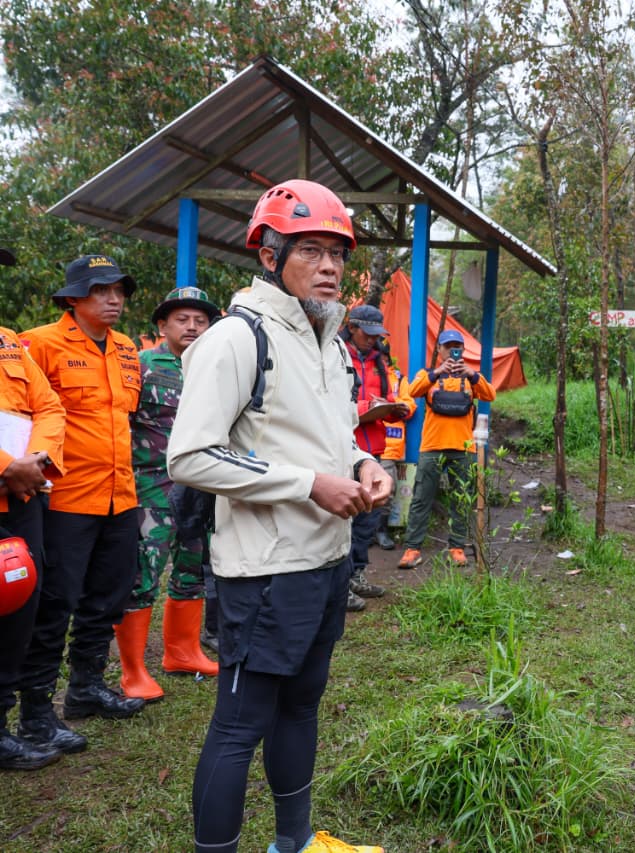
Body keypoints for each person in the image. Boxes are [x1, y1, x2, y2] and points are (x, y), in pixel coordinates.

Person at [169, 179, 391, 853]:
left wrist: (362, 462)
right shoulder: (237, 338)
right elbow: (190, 456)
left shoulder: (329, 340)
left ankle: (293, 842)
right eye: (311, 250)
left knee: (302, 705)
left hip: (324, 561)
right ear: (270, 255)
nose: (329, 267)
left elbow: (329, 435)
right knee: (240, 725)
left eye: (337, 253)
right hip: (264, 571)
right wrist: (308, 484)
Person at [17, 254, 147, 758]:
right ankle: (35, 713)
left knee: (108, 598)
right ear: (73, 298)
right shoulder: (38, 344)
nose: (114, 300)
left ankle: (86, 689)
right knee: (55, 604)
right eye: (101, 291)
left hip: (120, 495)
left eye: (119, 291)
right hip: (65, 498)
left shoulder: (127, 348)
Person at [116, 286, 222, 703]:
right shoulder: (143, 365)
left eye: (200, 320)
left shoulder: (216, 366)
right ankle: (133, 669)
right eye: (182, 319)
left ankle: (182, 652)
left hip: (200, 484)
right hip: (152, 485)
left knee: (193, 566)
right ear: (162, 325)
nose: (192, 327)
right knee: (144, 570)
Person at [0, 244, 66, 770]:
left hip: (21, 497)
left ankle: (2, 724)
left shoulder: (9, 342)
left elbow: (48, 407)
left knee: (19, 601)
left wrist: (35, 463)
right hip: (11, 480)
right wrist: (6, 466)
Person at [397, 328, 495, 570]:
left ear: (463, 350)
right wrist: (438, 372)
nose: (452, 351)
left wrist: (472, 374)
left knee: (460, 501)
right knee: (421, 498)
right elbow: (413, 391)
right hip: (432, 447)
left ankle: (456, 548)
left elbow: (490, 394)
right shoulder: (427, 374)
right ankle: (412, 548)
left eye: (457, 347)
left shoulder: (471, 378)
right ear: (439, 350)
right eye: (448, 347)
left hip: (463, 449)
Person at [341, 304, 410, 609]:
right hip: (345, 449)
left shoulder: (379, 361)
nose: (372, 339)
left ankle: (356, 575)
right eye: (367, 334)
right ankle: (340, 585)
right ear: (351, 328)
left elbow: (387, 398)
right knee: (344, 519)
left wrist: (394, 409)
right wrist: (365, 408)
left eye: (376, 335)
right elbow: (330, 404)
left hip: (375, 449)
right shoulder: (335, 355)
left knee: (367, 518)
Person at [377, 351, 415, 546]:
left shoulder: (399, 380)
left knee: (386, 488)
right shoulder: (361, 372)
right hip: (362, 440)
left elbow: (410, 405)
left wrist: (391, 405)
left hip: (389, 444)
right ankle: (363, 532)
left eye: (383, 357)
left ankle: (381, 531)